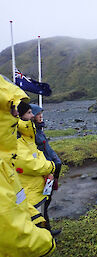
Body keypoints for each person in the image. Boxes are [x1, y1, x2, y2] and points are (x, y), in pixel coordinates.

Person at [0, 74, 55, 256]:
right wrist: (47, 243)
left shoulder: (10, 150)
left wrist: (35, 218)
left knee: (42, 211)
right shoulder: (16, 142)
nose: (33, 115)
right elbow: (27, 162)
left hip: (35, 189)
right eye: (29, 112)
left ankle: (44, 225)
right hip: (32, 187)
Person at [16, 101, 61, 236]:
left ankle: (47, 233)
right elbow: (28, 162)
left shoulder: (33, 131)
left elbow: (39, 153)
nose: (37, 116)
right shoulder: (21, 136)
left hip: (42, 177)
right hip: (33, 181)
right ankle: (43, 238)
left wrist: (53, 167)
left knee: (44, 205)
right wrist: (51, 166)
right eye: (31, 113)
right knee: (36, 211)